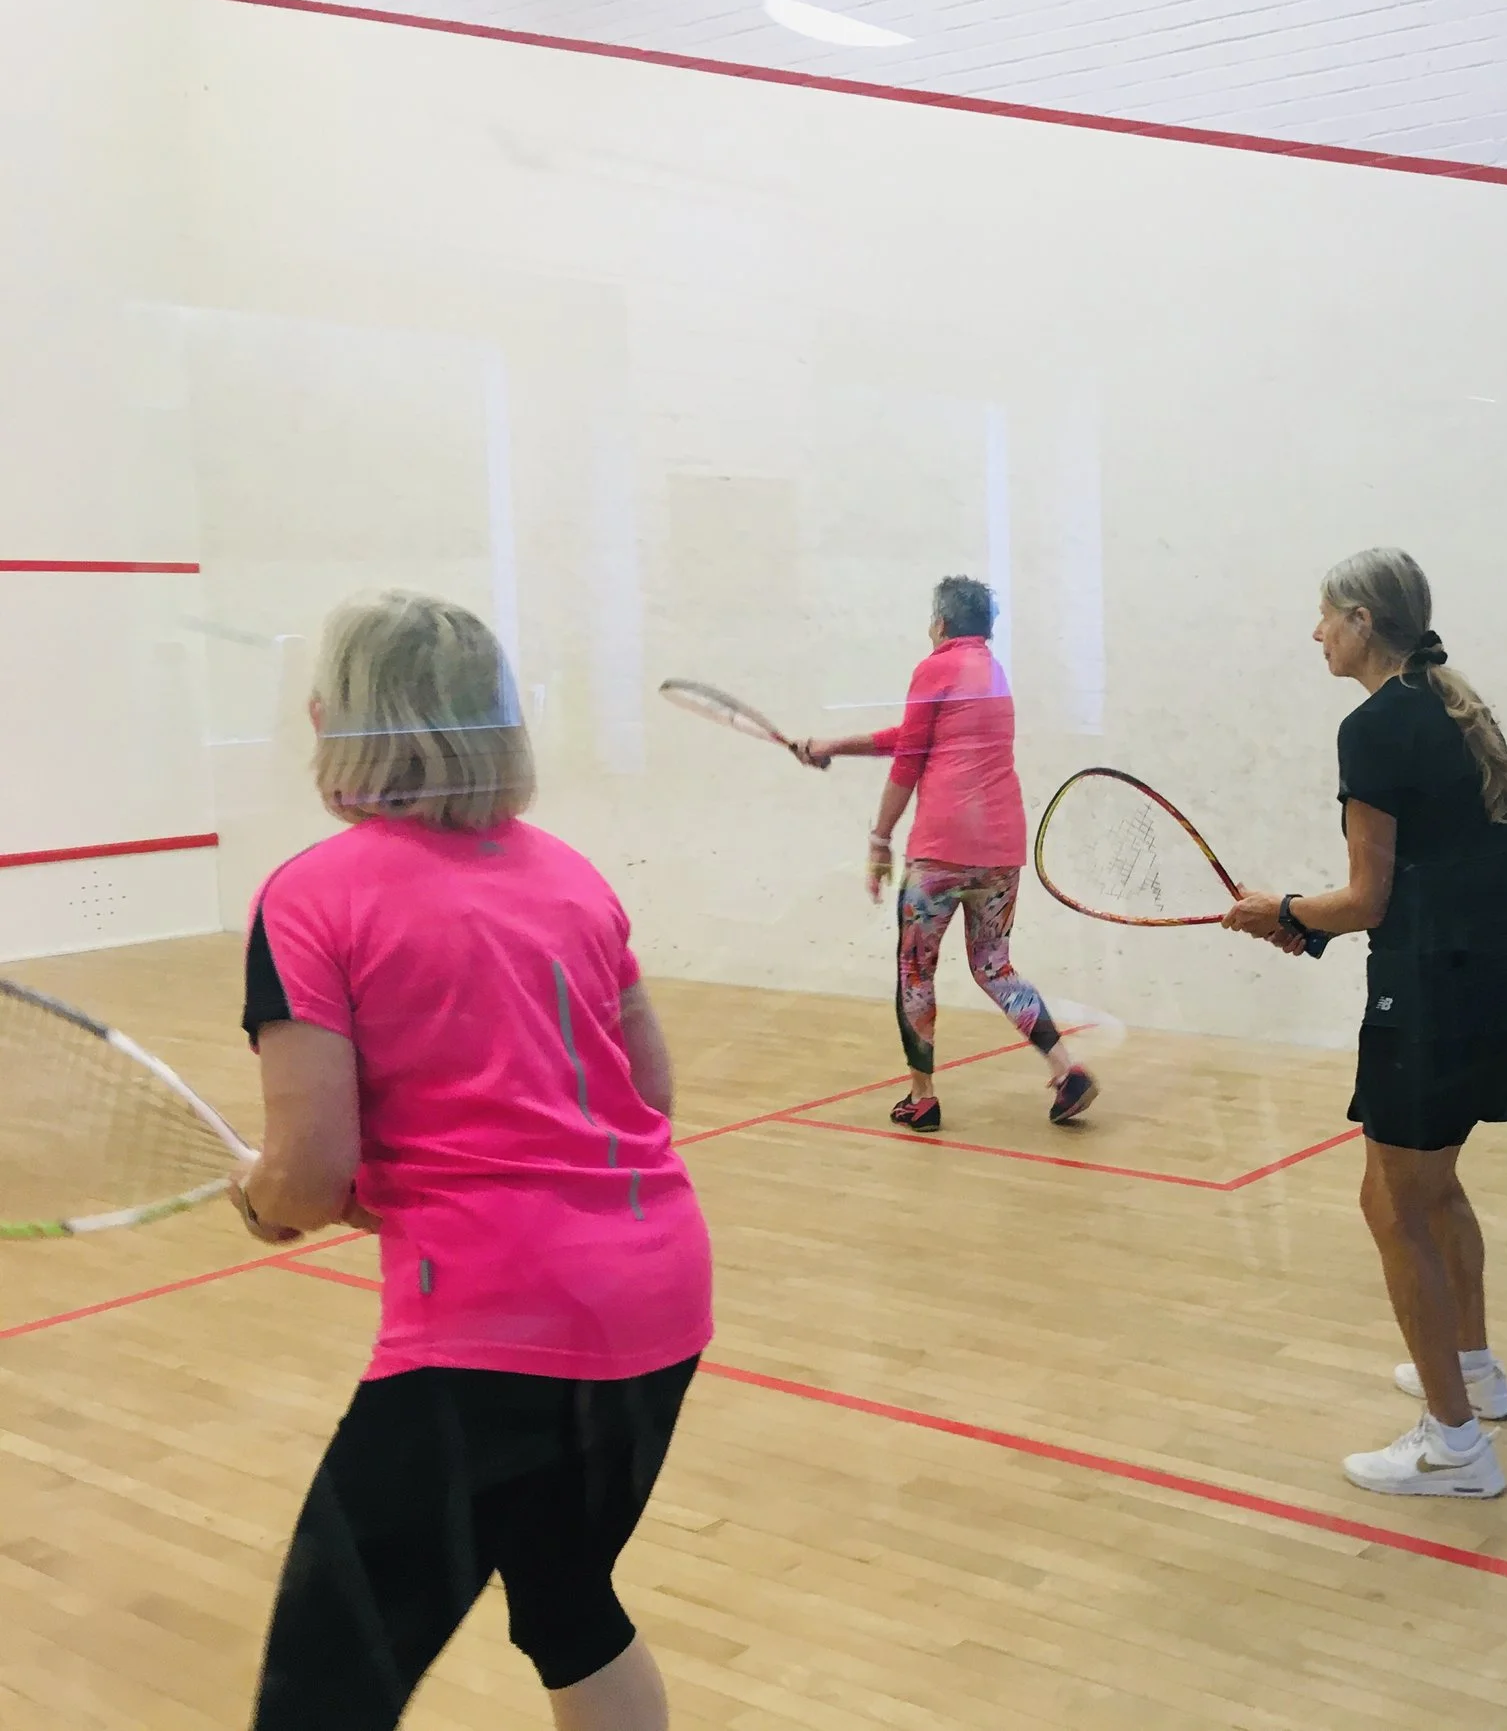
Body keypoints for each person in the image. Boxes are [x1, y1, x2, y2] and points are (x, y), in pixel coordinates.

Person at [226, 590, 712, 1730]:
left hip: (489, 1337)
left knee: (320, 1695)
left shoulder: (308, 897)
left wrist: (269, 1200)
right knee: (567, 1602)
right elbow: (651, 1094)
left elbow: (306, 1171)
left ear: (335, 719)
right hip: (657, 1308)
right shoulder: (574, 876)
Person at [1224, 548, 1507, 1498]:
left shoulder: (1374, 726)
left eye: (1324, 614)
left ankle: (1453, 1446)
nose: (1315, 632)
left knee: (1392, 1205)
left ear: (1362, 620)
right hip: (1488, 985)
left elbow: (1365, 896)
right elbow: (1414, 884)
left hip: (1426, 1000)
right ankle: (1474, 1374)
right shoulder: (1451, 706)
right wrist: (1302, 926)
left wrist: (1281, 906)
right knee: (1436, 1190)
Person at [802, 576, 1095, 1133]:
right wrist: (832, 745)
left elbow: (910, 758)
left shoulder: (933, 666)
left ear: (940, 623)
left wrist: (879, 839)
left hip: (940, 853)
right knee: (994, 966)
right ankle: (1064, 1070)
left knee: (916, 970)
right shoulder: (992, 673)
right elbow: (916, 734)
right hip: (1000, 851)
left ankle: (923, 1097)